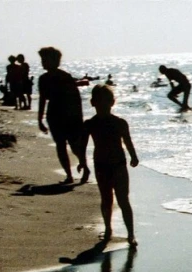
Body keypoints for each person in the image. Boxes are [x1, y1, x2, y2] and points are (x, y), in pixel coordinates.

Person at [80, 85, 139, 247]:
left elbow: (127, 142)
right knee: (106, 199)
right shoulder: (90, 124)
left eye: (106, 102)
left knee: (123, 199)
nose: (103, 105)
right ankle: (108, 229)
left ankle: (131, 234)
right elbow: (83, 145)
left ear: (112, 103)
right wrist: (82, 163)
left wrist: (134, 156)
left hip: (119, 165)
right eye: (99, 102)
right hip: (101, 166)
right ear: (92, 103)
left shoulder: (120, 123)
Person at [37, 46, 90, 184]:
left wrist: (79, 118)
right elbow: (43, 99)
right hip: (55, 115)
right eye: (42, 59)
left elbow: (75, 98)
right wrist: (40, 120)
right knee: (61, 145)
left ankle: (84, 167)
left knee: (73, 145)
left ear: (55, 61)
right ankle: (69, 175)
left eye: (45, 59)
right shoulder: (44, 78)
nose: (43, 62)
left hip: (68, 115)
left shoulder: (64, 77)